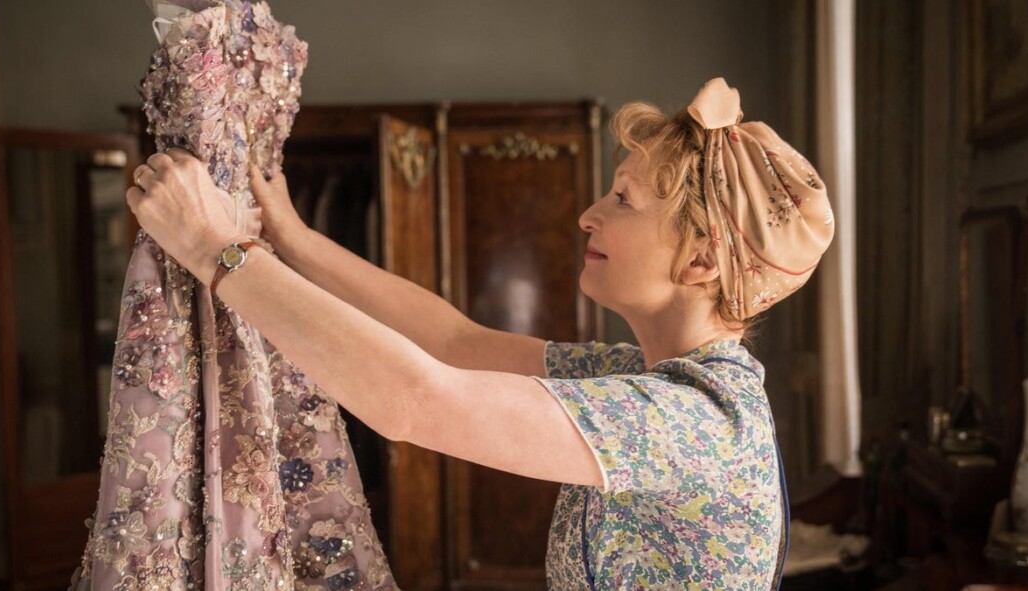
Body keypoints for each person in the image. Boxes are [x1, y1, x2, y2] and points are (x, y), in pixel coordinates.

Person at [126, 77, 834, 590]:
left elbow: (416, 399)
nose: (589, 215)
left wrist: (214, 252)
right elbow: (455, 342)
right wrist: (296, 239)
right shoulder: (639, 378)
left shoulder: (696, 419)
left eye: (623, 199)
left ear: (703, 259)